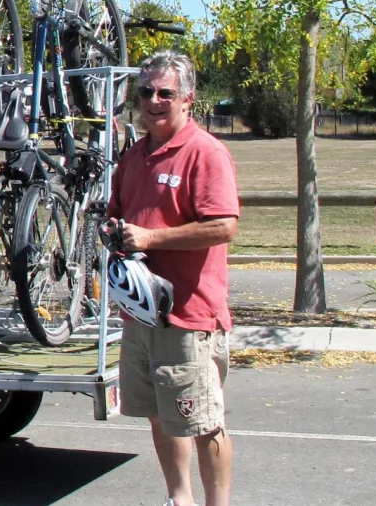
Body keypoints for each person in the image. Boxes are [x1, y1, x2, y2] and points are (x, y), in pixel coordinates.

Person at [102, 50, 239, 506]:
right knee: (161, 416)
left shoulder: (205, 153)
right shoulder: (135, 155)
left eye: (166, 92)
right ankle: (179, 500)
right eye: (146, 92)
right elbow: (118, 214)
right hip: (140, 313)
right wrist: (113, 230)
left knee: (203, 421)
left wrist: (151, 239)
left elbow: (223, 226)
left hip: (190, 316)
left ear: (188, 100)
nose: (154, 101)